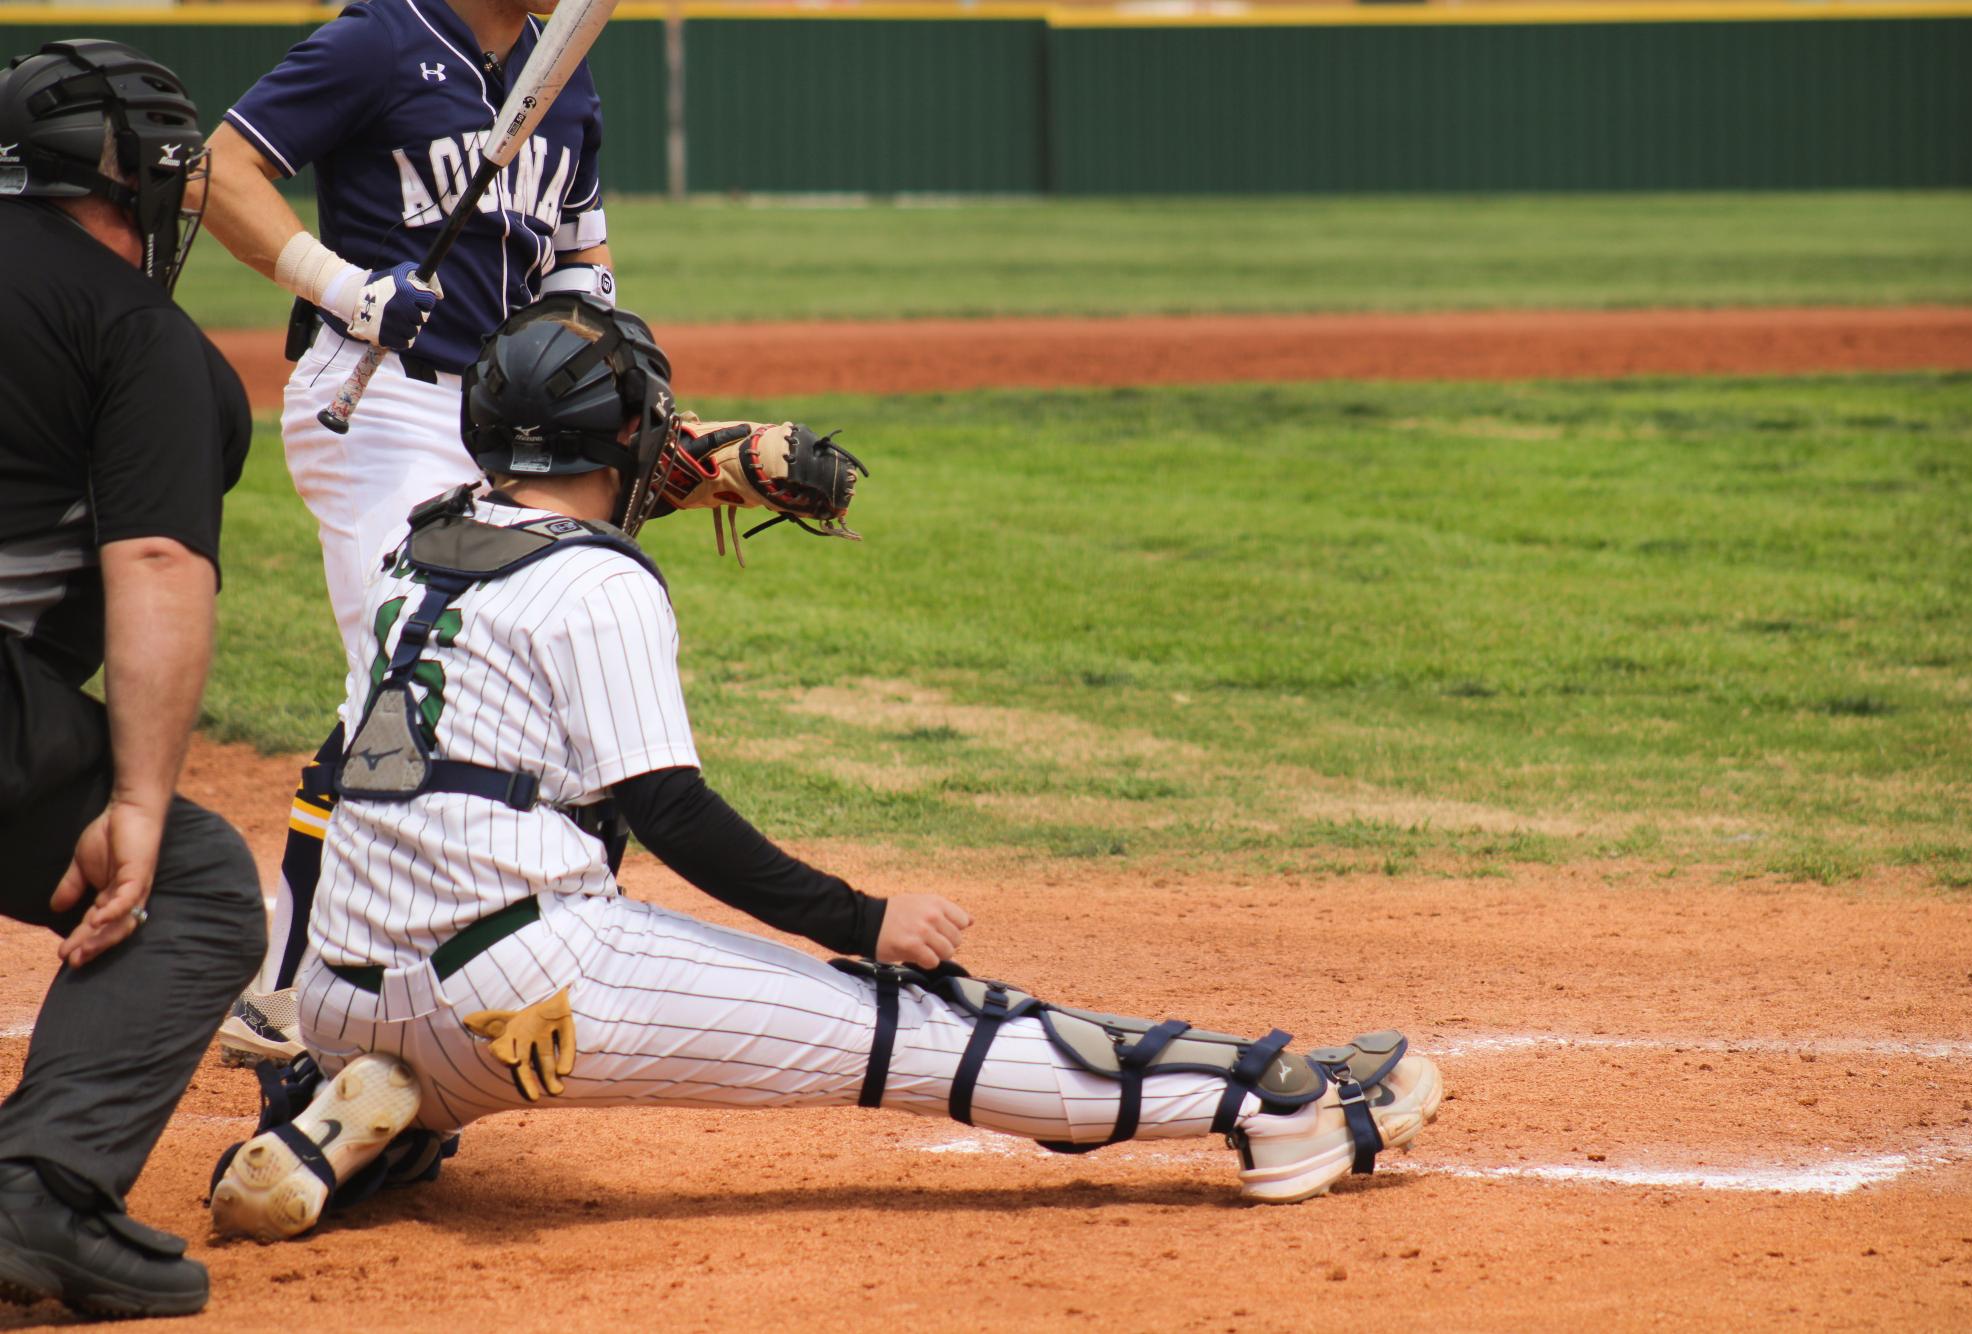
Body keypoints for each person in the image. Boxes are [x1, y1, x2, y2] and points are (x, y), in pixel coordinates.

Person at [207, 297, 1444, 1243]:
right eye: (656, 426)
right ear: (628, 440)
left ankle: (363, 1118)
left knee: (457, 925)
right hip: (524, 991)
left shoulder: (411, 557)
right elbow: (670, 810)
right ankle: (1281, 1107)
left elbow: (351, 774)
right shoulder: (597, 582)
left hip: (335, 990)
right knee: (908, 1025)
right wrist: (866, 916)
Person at [200, 0, 618, 1064]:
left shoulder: (563, 66)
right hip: (378, 398)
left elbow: (577, 255)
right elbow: (219, 170)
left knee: (524, 685)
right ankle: (288, 989)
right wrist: (342, 286)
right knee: (403, 680)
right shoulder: (379, 37)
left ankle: (480, 946)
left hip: (505, 419)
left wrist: (593, 367)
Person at [0, 39, 266, 1318]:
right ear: (140, 185)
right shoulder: (136, 330)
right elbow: (157, 557)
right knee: (201, 884)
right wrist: (143, 806)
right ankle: (37, 1195)